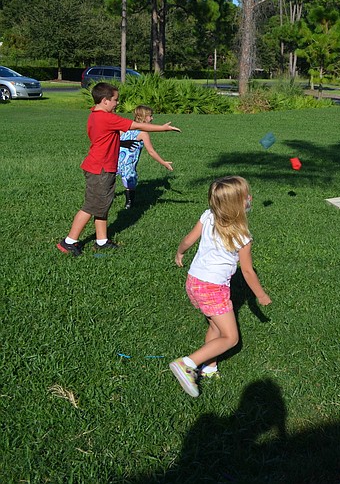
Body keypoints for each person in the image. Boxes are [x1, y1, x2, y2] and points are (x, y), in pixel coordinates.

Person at [171, 176, 272, 397]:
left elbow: (189, 239)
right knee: (231, 338)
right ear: (237, 204)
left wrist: (180, 252)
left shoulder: (208, 216)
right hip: (212, 289)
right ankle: (187, 363)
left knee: (216, 327)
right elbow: (247, 271)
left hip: (194, 282)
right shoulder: (242, 237)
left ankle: (209, 367)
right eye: (246, 196)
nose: (250, 198)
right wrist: (261, 295)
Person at [56, 83, 181, 256]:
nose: (117, 103)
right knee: (90, 206)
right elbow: (137, 126)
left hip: (101, 167)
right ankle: (68, 241)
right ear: (105, 100)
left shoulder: (94, 114)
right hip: (100, 169)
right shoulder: (107, 118)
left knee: (102, 204)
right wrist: (163, 128)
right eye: (115, 100)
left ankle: (101, 241)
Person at [118, 105, 174, 209]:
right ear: (143, 117)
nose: (152, 118)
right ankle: (129, 204)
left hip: (116, 160)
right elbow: (151, 152)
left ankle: (106, 198)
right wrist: (164, 163)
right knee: (130, 182)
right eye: (150, 116)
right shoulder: (143, 133)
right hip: (129, 162)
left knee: (110, 180)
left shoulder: (124, 128)